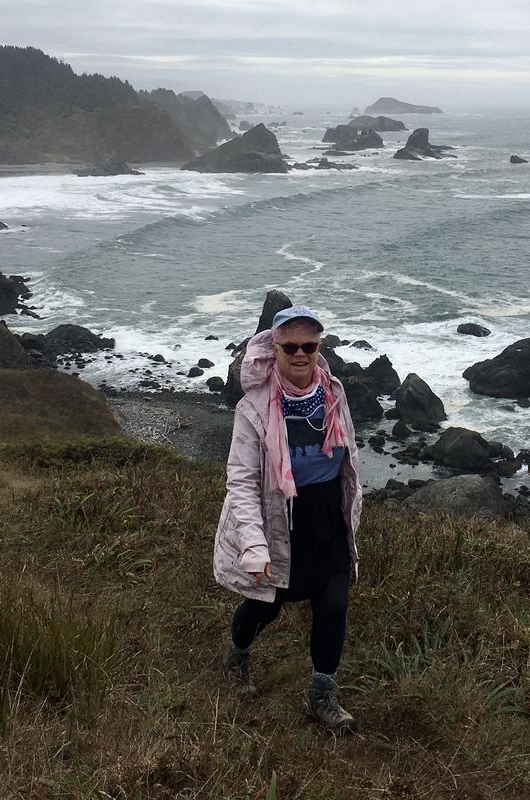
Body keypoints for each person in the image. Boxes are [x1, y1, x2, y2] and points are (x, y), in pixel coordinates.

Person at [212, 305, 362, 733]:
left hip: (327, 517)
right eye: (291, 346)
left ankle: (322, 694)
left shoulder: (333, 391)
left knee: (333, 606)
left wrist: (351, 511)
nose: (301, 354)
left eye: (309, 345)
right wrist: (255, 546)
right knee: (267, 605)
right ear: (273, 348)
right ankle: (238, 652)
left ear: (319, 347)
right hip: (281, 521)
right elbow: (241, 483)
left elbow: (348, 459)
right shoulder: (253, 409)